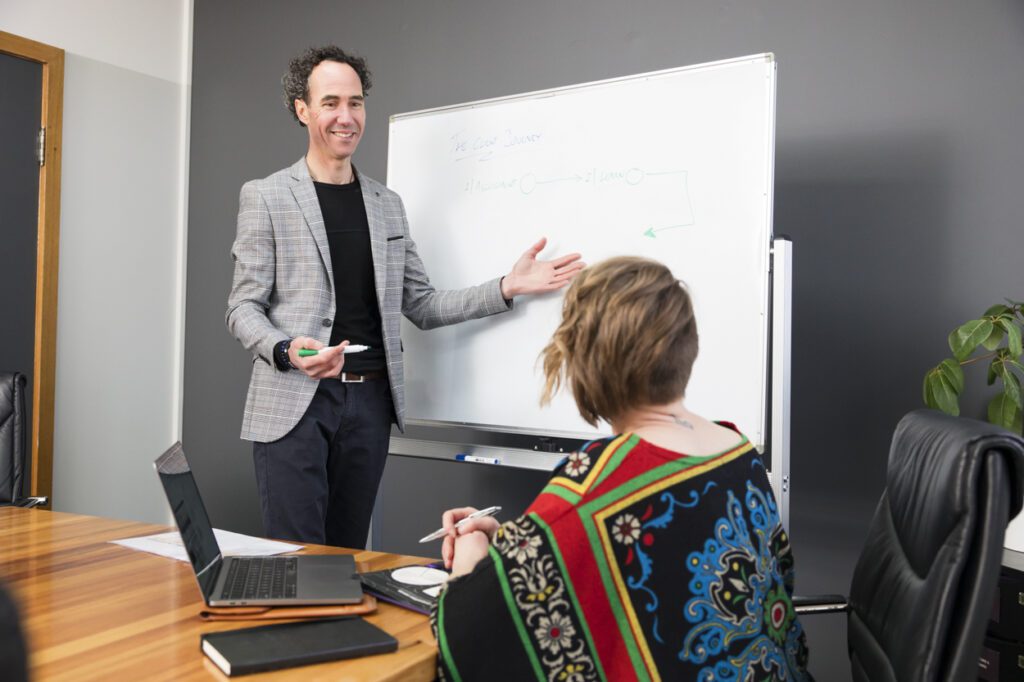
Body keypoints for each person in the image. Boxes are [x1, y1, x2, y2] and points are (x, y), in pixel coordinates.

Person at [226, 45, 583, 549]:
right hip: (293, 405)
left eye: (356, 103)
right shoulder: (266, 195)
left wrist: (508, 286)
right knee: (299, 561)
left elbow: (423, 304)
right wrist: (287, 350)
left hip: (369, 404)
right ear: (302, 110)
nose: (346, 117)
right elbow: (242, 307)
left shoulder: (386, 205)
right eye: (330, 103)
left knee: (347, 558)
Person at [433, 257, 810, 681]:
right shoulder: (736, 450)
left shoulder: (590, 488)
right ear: (687, 346)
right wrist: (518, 546)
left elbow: (467, 631)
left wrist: (472, 553)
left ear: (583, 363)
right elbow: (662, 560)